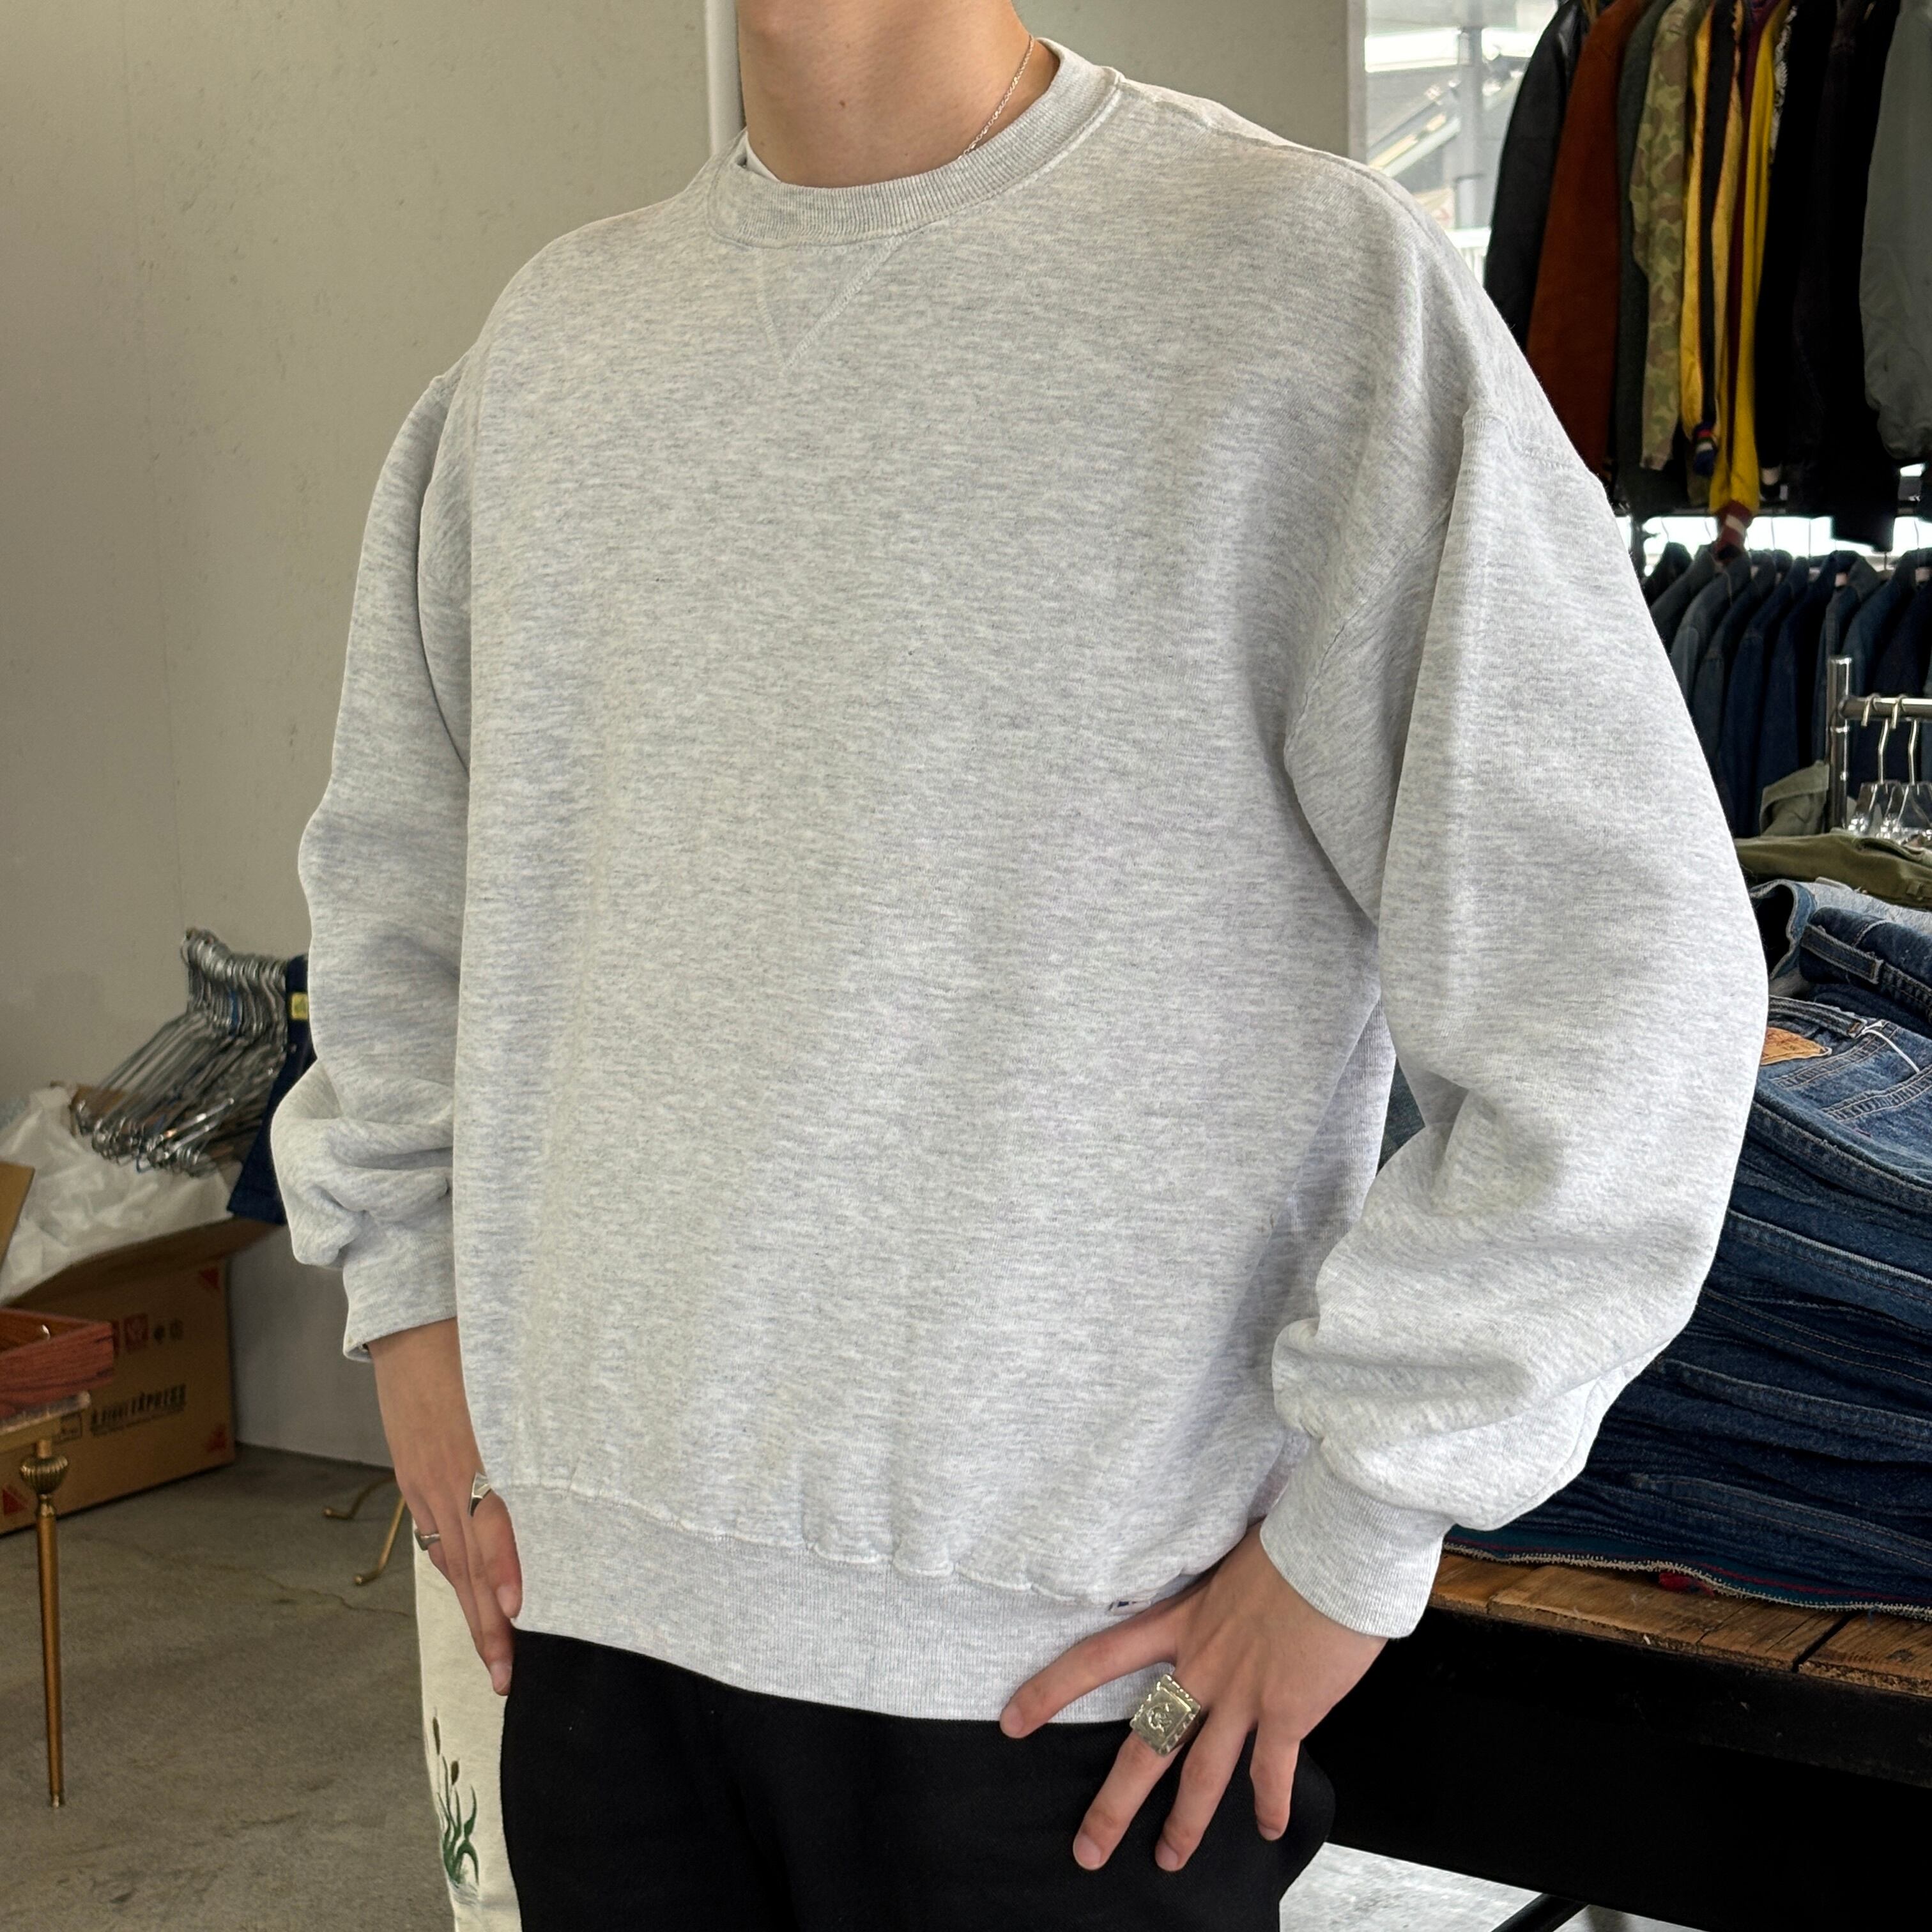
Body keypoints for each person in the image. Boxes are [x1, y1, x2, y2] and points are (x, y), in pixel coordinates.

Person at [271, 4, 1770, 1926]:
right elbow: (399, 897)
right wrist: (406, 1298)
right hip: (600, 1633)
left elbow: (1624, 975)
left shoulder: (1300, 294)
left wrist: (1361, 1529)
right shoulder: (551, 353)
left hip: (1063, 1687)